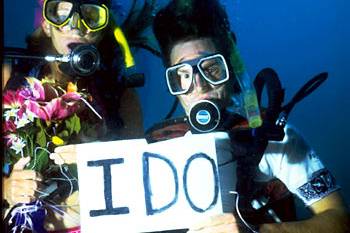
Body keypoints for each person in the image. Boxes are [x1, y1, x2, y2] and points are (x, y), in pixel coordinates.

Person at [146, 0, 349, 232]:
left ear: (230, 70)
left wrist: (255, 230)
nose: (199, 85)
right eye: (183, 75)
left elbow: (340, 220)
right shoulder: (157, 151)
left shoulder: (278, 139)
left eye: (211, 68)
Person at [2, 0, 156, 231]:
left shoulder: (121, 94)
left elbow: (138, 178)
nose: (76, 25)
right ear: (46, 24)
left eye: (91, 15)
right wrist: (6, 187)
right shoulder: (8, 77)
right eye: (61, 12)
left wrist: (100, 156)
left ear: (103, 29)